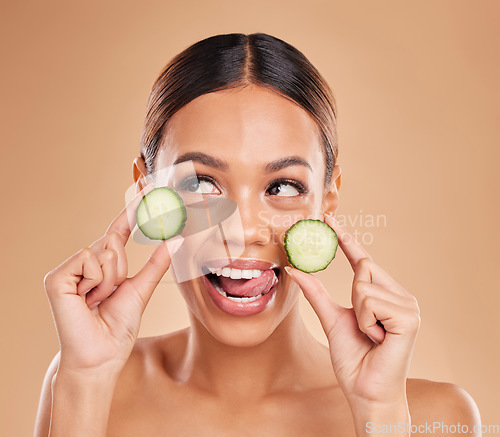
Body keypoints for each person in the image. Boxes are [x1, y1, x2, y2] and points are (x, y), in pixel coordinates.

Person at [34, 33, 481, 436]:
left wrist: (380, 415)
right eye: (201, 183)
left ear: (327, 198)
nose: (242, 230)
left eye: (282, 186)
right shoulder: (81, 383)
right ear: (145, 194)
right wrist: (88, 380)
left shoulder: (434, 417)